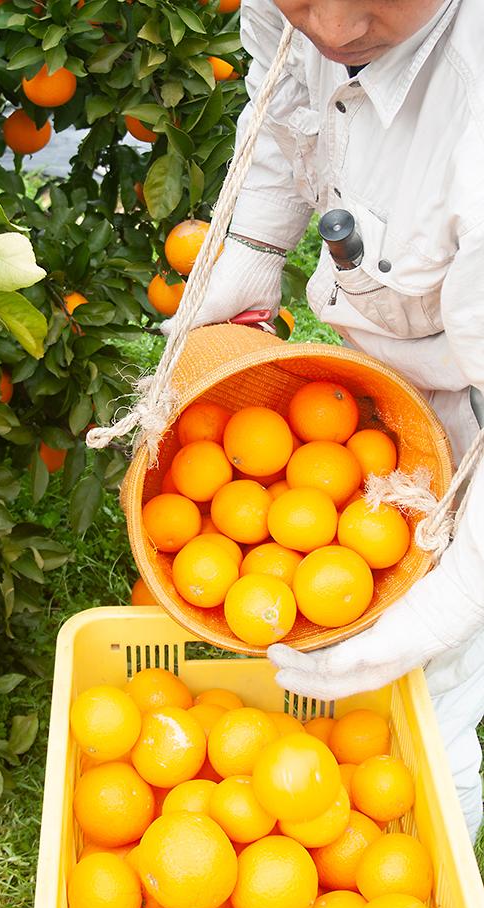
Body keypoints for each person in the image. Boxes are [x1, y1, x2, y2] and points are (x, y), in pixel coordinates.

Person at [177, 0, 484, 840]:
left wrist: (447, 605)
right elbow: (283, 112)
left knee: (433, 684)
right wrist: (256, 251)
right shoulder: (296, 20)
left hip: (469, 422)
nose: (336, 28)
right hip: (368, 394)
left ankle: (424, 864)